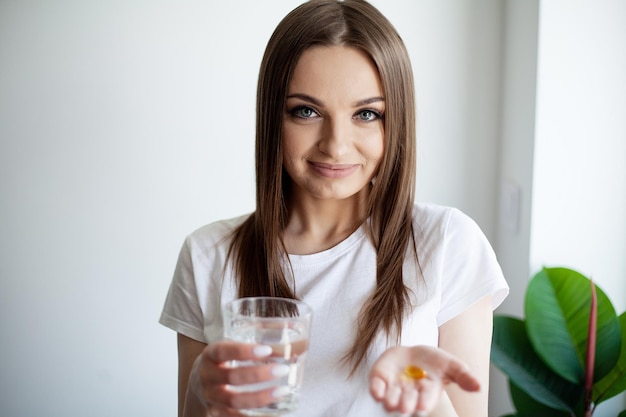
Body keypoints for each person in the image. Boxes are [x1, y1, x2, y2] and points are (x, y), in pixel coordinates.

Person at [159, 1, 509, 416]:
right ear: (273, 116)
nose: (336, 144)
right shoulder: (208, 255)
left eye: (366, 113)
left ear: (395, 121)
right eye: (306, 111)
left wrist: (425, 396)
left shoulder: (447, 243)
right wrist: (200, 387)